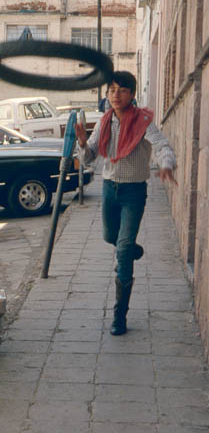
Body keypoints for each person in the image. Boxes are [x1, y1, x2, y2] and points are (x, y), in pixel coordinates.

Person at [75, 70, 177, 336]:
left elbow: (162, 146)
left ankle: (120, 315)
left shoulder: (143, 121)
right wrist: (83, 144)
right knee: (110, 236)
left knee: (122, 250)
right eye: (111, 90)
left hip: (134, 192)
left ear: (132, 94)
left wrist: (166, 165)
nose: (115, 95)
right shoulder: (104, 121)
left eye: (121, 90)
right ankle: (129, 248)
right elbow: (88, 159)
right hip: (109, 189)